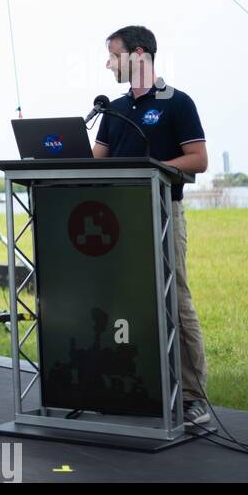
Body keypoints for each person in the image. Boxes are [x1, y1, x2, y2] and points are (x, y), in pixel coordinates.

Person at [93, 25, 211, 425]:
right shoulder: (114, 109)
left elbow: (197, 160)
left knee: (175, 301)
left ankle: (194, 397)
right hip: (117, 221)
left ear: (138, 55)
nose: (107, 64)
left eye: (113, 55)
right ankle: (135, 384)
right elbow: (96, 160)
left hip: (162, 214)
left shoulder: (178, 103)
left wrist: (152, 170)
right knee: (126, 303)